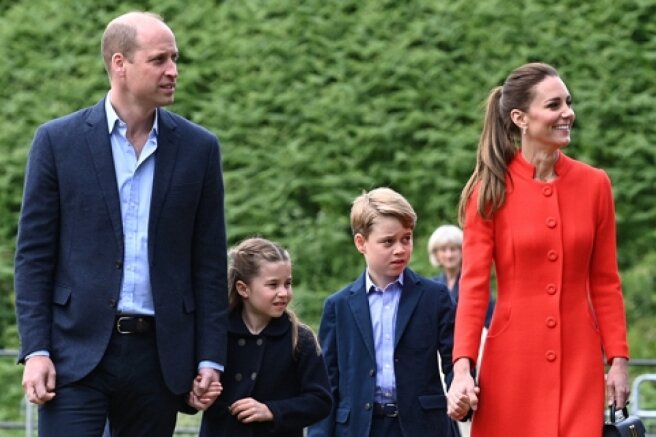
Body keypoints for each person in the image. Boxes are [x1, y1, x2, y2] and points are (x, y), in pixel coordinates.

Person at [14, 11, 228, 436]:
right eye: (159, 59)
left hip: (159, 358)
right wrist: (36, 350)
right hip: (75, 356)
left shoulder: (199, 149)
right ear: (119, 64)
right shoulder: (58, 142)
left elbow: (208, 264)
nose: (173, 71)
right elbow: (34, 258)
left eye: (175, 58)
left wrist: (209, 358)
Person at [446, 62, 630, 436]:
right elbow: (474, 288)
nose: (568, 113)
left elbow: (606, 282)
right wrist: (463, 366)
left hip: (581, 360)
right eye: (554, 105)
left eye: (568, 102)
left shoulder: (596, 185)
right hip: (511, 363)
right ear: (520, 118)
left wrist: (619, 360)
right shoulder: (488, 192)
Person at [308, 187, 457, 437]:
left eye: (406, 238)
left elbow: (455, 360)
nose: (400, 249)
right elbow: (328, 382)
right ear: (361, 243)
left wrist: (460, 396)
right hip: (360, 428)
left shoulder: (434, 297)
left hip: (423, 427)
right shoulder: (339, 306)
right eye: (388, 241)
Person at [199, 237, 332, 436]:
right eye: (273, 285)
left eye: (287, 283)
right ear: (243, 289)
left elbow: (320, 400)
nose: (283, 293)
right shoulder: (215, 334)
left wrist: (272, 410)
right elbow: (188, 387)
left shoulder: (300, 338)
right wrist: (196, 394)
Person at [428, 224, 495, 328]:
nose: (449, 255)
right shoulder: (431, 285)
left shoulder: (476, 284)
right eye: (443, 249)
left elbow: (489, 322)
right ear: (435, 254)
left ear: (462, 251)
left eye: (453, 249)